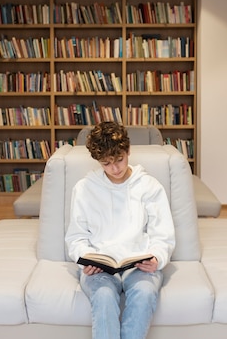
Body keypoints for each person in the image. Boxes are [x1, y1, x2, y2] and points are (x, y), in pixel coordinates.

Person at [65, 121, 176, 339]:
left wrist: (157, 259)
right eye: (107, 164)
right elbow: (76, 237)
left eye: (119, 160)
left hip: (139, 266)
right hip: (100, 268)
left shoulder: (149, 186)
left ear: (128, 151)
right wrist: (86, 258)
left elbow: (163, 235)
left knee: (144, 294)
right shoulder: (84, 189)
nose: (115, 168)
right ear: (98, 162)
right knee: (104, 296)